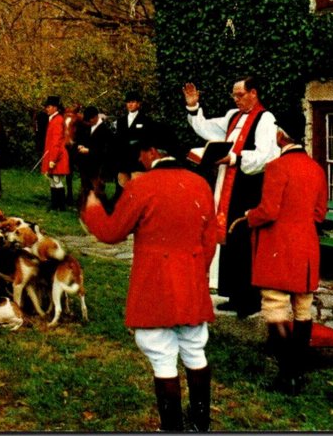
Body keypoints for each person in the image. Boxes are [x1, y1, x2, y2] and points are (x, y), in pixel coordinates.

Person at [81, 123, 217, 432]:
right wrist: (198, 272)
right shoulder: (200, 185)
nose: (140, 158)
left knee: (162, 358)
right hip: (192, 281)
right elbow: (210, 240)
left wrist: (92, 206)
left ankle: (171, 428)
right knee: (195, 351)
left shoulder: (142, 187)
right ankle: (200, 422)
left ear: (152, 152)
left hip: (155, 284)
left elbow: (111, 232)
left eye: (141, 152)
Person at [243, 110, 328, 394]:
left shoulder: (277, 167)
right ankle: (298, 370)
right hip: (306, 248)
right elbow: (319, 214)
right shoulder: (316, 168)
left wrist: (249, 215)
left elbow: (268, 211)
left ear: (281, 135)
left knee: (276, 309)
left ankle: (288, 373)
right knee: (303, 310)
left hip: (279, 247)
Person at [183, 76, 279, 318]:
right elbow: (206, 129)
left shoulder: (265, 119)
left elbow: (267, 155)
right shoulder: (232, 117)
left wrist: (236, 158)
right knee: (229, 237)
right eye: (234, 96)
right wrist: (193, 107)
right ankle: (234, 294)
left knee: (245, 239)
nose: (236, 100)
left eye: (240, 95)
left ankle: (250, 299)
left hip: (249, 185)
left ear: (254, 93)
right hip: (228, 181)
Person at [113, 91, 153, 200]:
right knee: (123, 187)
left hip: (138, 160)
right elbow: (118, 140)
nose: (130, 104)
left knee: (138, 188)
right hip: (124, 159)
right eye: (128, 102)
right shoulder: (120, 121)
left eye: (133, 102)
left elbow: (147, 140)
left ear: (139, 104)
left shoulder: (146, 120)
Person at [75, 105, 115, 209]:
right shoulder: (88, 128)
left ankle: (102, 208)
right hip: (86, 165)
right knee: (85, 188)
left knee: (97, 189)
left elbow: (106, 150)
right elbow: (82, 139)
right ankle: (85, 208)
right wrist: (80, 145)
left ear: (96, 117)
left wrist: (89, 151)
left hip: (99, 166)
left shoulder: (106, 130)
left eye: (90, 119)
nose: (88, 122)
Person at [41, 96, 70, 211]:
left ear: (55, 107)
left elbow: (56, 142)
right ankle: (54, 205)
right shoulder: (53, 119)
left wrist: (52, 159)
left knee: (57, 181)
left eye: (48, 107)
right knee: (53, 181)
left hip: (58, 156)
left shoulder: (57, 120)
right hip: (52, 154)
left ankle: (61, 206)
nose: (46, 109)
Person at [63, 103, 83, 207]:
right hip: (69, 146)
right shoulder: (67, 117)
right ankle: (69, 194)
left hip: (79, 145)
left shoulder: (80, 120)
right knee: (68, 171)